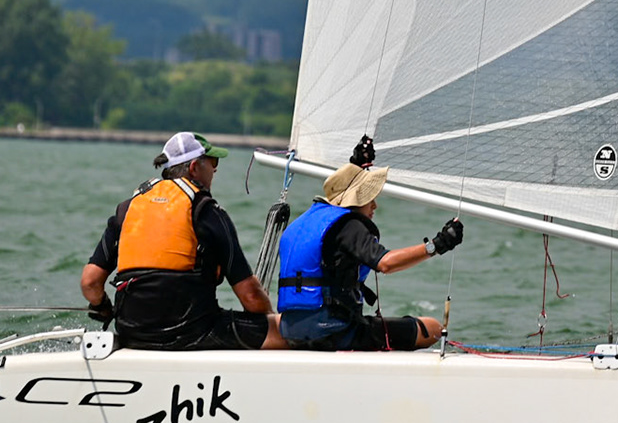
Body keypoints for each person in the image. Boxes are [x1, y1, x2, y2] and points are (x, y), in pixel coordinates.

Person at [80, 131, 286, 350]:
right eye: (212, 162)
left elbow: (90, 282)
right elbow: (250, 296)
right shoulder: (207, 212)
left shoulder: (127, 209)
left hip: (133, 334)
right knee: (289, 331)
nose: (215, 169)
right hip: (194, 332)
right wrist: (267, 322)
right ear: (194, 167)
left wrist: (103, 308)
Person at [276, 137, 463, 351]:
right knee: (432, 328)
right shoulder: (348, 226)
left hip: (291, 332)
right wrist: (437, 245)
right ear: (354, 201)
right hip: (335, 332)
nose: (374, 205)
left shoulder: (304, 222)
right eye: (369, 198)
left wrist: (356, 168)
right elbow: (386, 263)